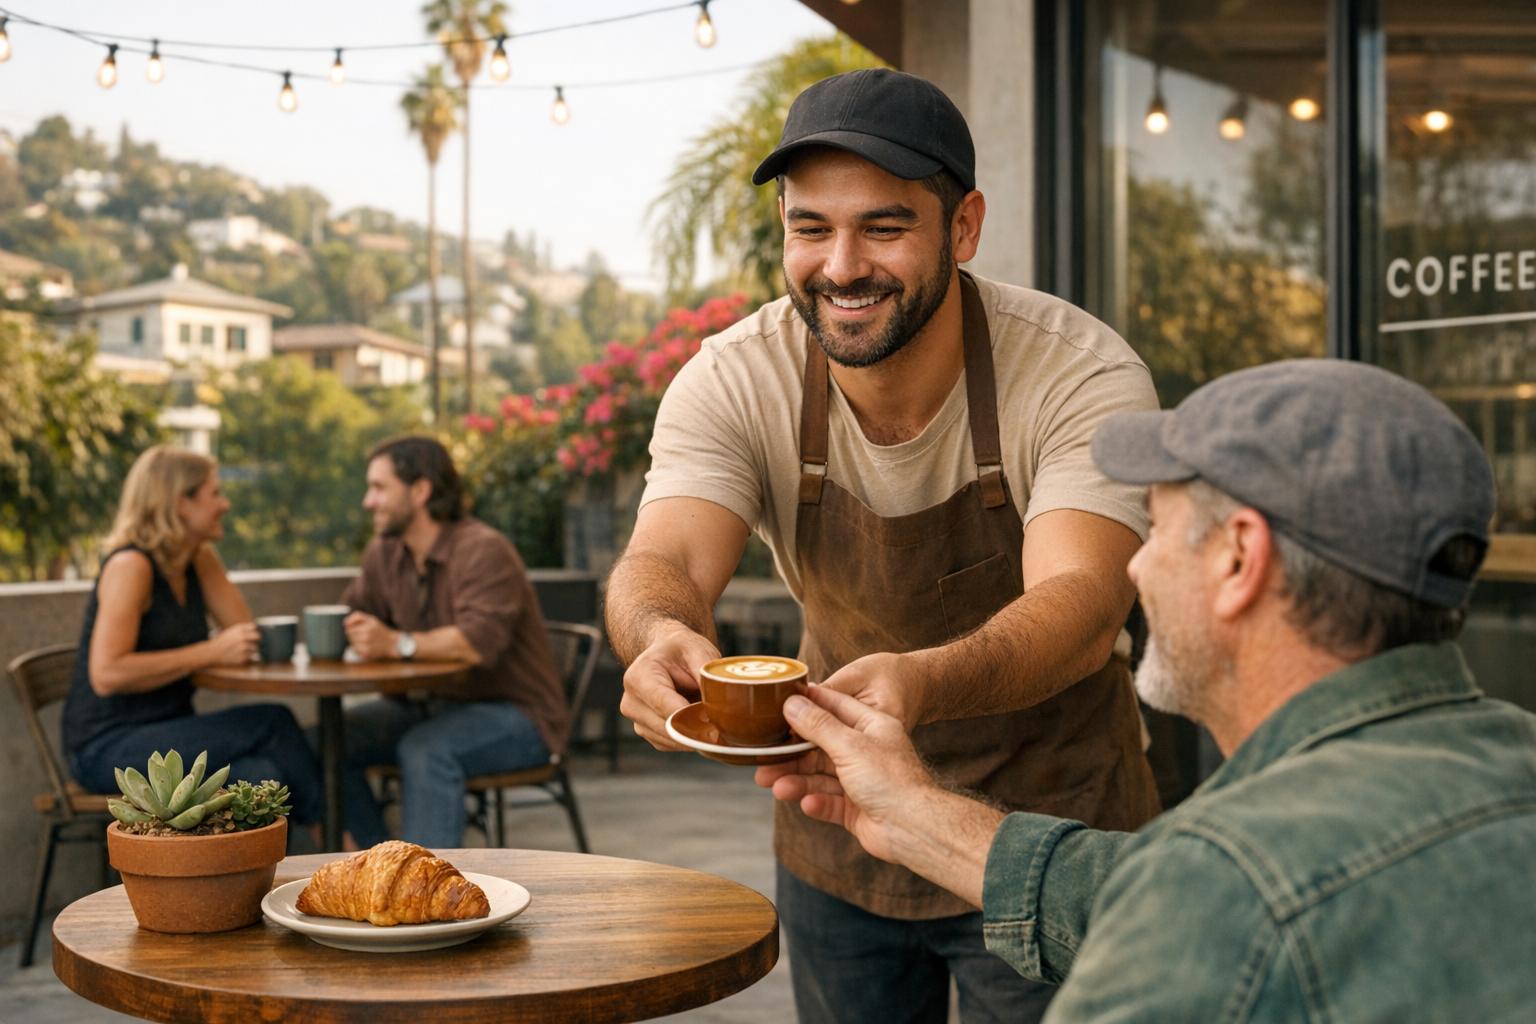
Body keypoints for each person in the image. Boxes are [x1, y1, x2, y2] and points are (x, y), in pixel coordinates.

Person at [607, 68, 1161, 1022]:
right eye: (810, 228)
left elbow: (1082, 609)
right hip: (840, 827)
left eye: (885, 227)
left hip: (1047, 837)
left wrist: (921, 684)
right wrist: (658, 632)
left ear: (964, 227)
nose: (841, 265)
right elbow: (664, 561)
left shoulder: (1078, 373)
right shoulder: (734, 380)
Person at [760, 359, 1536, 1020]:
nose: (1135, 568)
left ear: (1239, 559)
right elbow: (1161, 892)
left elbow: (1203, 897)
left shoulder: (1224, 881)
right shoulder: (1513, 758)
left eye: (1156, 530)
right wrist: (909, 812)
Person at [62, 445, 323, 829]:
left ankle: (301, 869)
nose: (225, 504)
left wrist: (206, 569)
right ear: (180, 503)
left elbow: (242, 632)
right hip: (108, 746)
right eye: (214, 493)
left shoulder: (196, 560)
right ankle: (343, 851)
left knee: (263, 771)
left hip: (168, 735)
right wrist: (209, 651)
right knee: (274, 721)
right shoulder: (131, 566)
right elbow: (107, 673)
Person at [336, 435, 568, 849]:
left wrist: (396, 644)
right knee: (332, 738)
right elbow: (351, 616)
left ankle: (423, 893)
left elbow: (477, 643)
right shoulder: (385, 553)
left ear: (420, 490)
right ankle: (376, 866)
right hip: (430, 706)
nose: (367, 502)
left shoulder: (483, 550)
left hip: (519, 714)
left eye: (379, 487)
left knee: (426, 750)